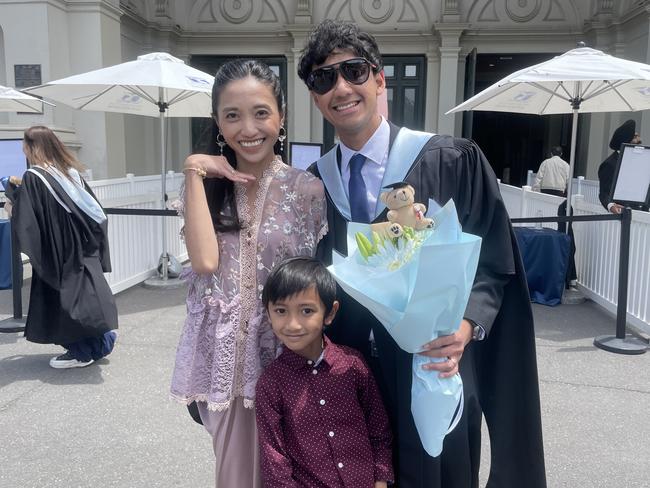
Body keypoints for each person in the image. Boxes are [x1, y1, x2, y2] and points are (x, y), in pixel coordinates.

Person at [298, 20, 546, 488]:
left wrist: (467, 325)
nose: (341, 87)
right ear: (315, 96)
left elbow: (494, 259)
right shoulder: (314, 184)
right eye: (323, 78)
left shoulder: (450, 160)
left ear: (379, 78)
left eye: (353, 71)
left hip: (434, 364)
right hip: (352, 377)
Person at [169, 59, 327, 488]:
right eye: (232, 115)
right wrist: (194, 168)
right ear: (217, 122)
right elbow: (203, 263)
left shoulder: (306, 189)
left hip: (286, 351)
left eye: (260, 112)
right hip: (224, 360)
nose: (248, 128)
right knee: (236, 474)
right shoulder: (203, 186)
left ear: (281, 116)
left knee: (292, 471)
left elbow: (312, 277)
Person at [256, 256, 393, 488]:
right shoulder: (271, 383)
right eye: (281, 310)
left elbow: (379, 429)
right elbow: (274, 461)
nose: (292, 324)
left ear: (329, 313)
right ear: (268, 314)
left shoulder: (352, 365)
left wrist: (381, 480)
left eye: (306, 311)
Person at [9, 126, 117, 369]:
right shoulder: (68, 172)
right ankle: (101, 341)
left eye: (25, 145)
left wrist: (12, 208)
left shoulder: (35, 176)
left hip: (57, 249)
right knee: (82, 297)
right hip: (81, 243)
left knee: (63, 301)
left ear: (33, 146)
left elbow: (31, 220)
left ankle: (82, 352)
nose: (23, 150)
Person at [598, 119, 644, 213]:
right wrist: (611, 206)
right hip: (621, 216)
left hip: (643, 216)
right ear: (625, 140)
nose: (640, 140)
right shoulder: (609, 164)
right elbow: (604, 193)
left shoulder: (640, 163)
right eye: (635, 137)